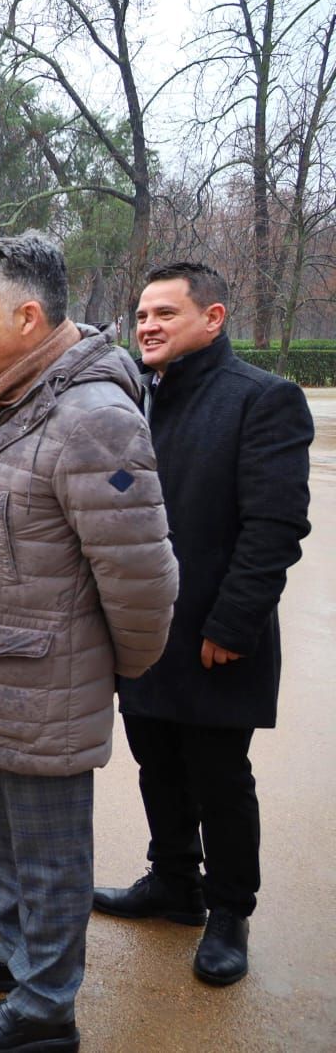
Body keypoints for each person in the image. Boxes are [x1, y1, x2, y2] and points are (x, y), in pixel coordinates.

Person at [0, 233, 178, 1052]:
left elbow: (143, 580)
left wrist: (100, 672)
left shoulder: (90, 417)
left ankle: (47, 1008)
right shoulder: (0, 397)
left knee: (52, 857)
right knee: (10, 843)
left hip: (41, 683)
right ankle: (19, 956)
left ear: (27, 316)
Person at [95, 263, 314, 986]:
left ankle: (228, 912)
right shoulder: (141, 398)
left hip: (216, 636)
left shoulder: (262, 399)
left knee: (220, 778)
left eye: (164, 313)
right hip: (144, 631)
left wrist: (233, 624)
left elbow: (274, 527)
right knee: (156, 763)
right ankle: (173, 883)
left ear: (212, 318)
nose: (147, 326)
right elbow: (129, 488)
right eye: (141, 315)